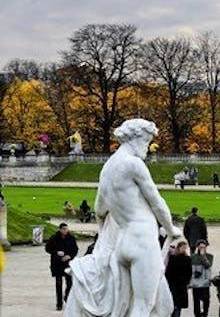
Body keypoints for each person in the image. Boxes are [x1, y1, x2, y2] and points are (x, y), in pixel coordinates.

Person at [64, 119, 181, 316]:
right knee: (144, 306)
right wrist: (171, 229)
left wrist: (102, 235)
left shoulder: (108, 167)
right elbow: (157, 202)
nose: (148, 147)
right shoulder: (134, 164)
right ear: (134, 139)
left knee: (126, 305)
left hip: (123, 244)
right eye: (146, 141)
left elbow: (99, 208)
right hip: (142, 240)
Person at [45, 223, 78, 311]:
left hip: (68, 263)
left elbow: (75, 249)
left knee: (70, 283)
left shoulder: (71, 238)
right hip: (57, 263)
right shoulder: (54, 238)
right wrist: (56, 253)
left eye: (66, 229)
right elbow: (47, 248)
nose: (65, 231)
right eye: (63, 229)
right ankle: (59, 303)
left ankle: (67, 296)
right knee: (58, 283)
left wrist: (70, 256)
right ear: (60, 229)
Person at [165, 241, 192, 317]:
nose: (184, 249)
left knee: (177, 307)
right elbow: (168, 272)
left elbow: (189, 273)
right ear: (178, 248)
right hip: (174, 285)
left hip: (181, 286)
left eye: (185, 248)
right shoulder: (173, 258)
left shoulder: (187, 259)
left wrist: (187, 283)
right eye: (183, 248)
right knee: (173, 306)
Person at [191, 240, 213, 317]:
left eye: (204, 247)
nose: (202, 249)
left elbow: (207, 265)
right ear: (198, 247)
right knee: (196, 300)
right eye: (200, 247)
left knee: (206, 299)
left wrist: (203, 256)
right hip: (195, 282)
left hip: (205, 282)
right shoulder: (193, 257)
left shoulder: (210, 256)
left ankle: (205, 313)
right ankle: (197, 314)